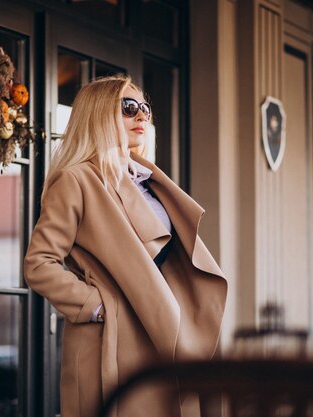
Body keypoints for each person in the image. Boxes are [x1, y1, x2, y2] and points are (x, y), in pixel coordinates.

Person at [24, 75, 228, 417]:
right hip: (112, 341)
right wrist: (98, 307)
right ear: (99, 114)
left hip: (166, 326)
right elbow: (39, 263)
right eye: (128, 107)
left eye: (145, 108)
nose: (142, 116)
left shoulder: (148, 179)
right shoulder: (75, 179)